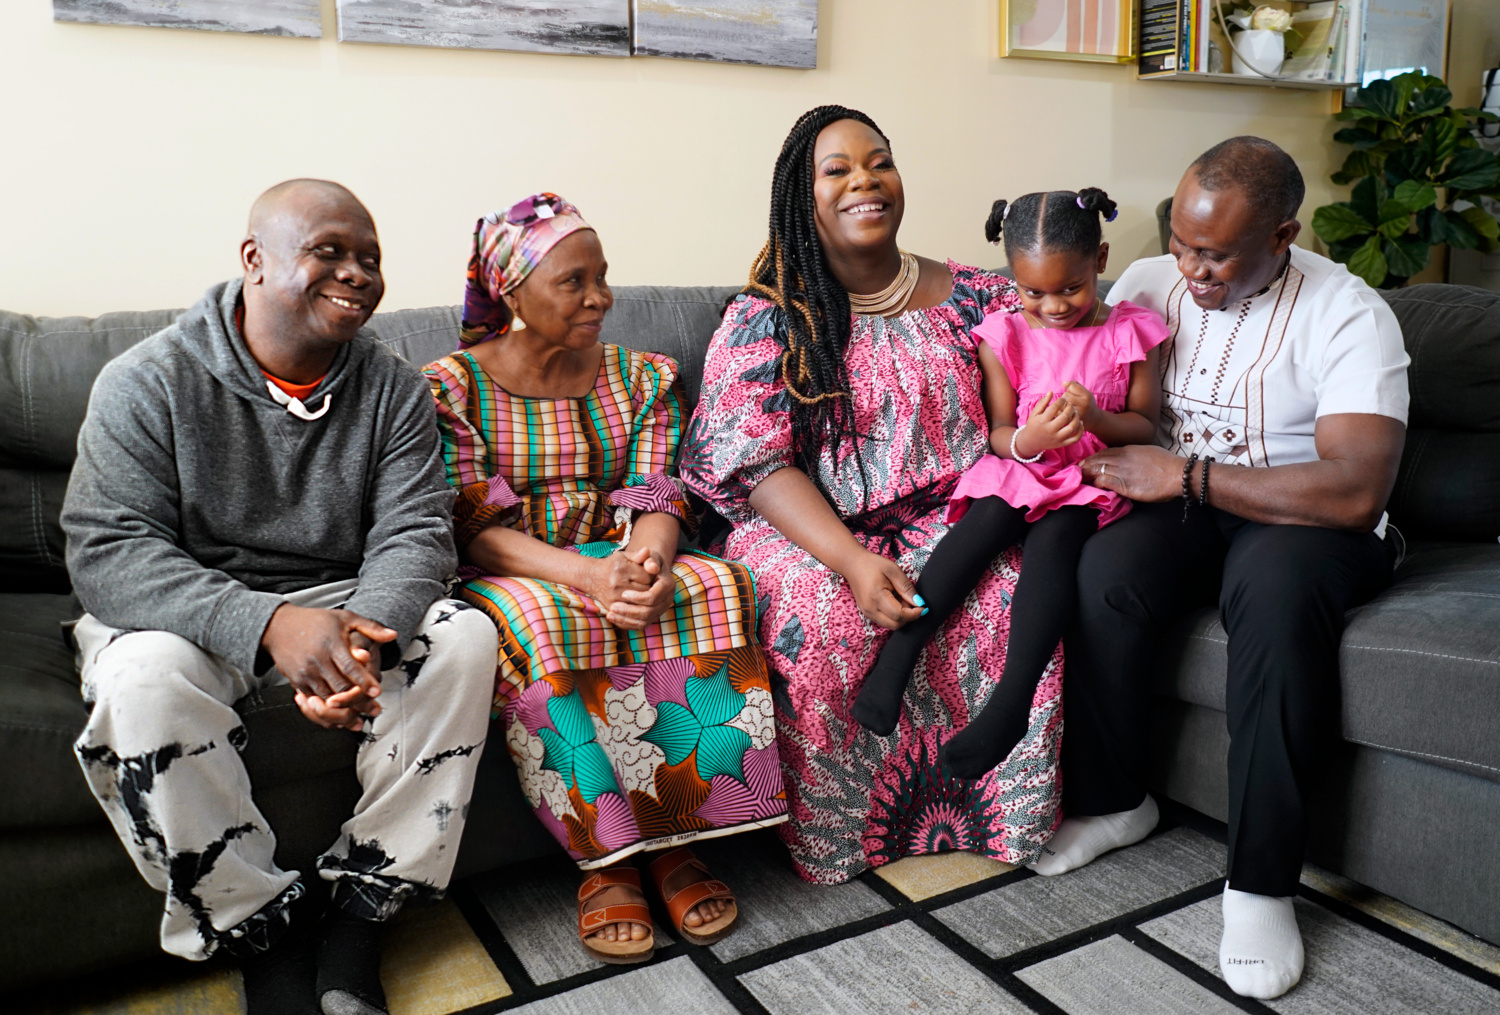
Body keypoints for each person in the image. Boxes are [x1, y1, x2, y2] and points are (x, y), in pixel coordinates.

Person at [63, 179, 499, 1015]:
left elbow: (416, 532)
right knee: (142, 687)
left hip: (343, 596)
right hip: (186, 609)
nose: (357, 272)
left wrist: (362, 640)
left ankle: (365, 905)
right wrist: (269, 626)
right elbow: (106, 551)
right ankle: (259, 926)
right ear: (255, 260)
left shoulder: (395, 388)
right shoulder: (146, 381)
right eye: (328, 250)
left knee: (463, 637)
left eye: (370, 257)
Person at [1037, 137, 1409, 1001]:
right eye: (1180, 243)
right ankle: (1119, 798)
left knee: (1273, 599)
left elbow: (1355, 489)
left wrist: (1191, 475)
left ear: (1283, 235)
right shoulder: (1143, 284)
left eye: (1215, 254)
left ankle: (1261, 883)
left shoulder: (1350, 315)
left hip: (1309, 519)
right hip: (1189, 503)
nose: (1190, 269)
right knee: (1106, 571)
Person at [679, 105, 1061, 885]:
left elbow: (1058, 360)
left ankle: (999, 814)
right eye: (838, 169)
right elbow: (754, 466)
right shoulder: (770, 315)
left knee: (1015, 592)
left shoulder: (983, 298)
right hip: (811, 527)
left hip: (958, 515)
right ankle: (842, 838)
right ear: (802, 193)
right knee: (828, 617)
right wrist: (852, 559)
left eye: (879, 161)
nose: (865, 180)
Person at [423, 193, 784, 965]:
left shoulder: (640, 376)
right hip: (517, 564)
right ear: (512, 293)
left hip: (622, 551)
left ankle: (678, 832)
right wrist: (590, 575)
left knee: (712, 585)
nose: (601, 297)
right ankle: (612, 859)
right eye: (573, 281)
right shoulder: (450, 388)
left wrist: (649, 561)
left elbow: (658, 492)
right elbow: (475, 528)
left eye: (603, 276)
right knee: (539, 619)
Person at [853, 188, 1167, 781]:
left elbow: (1146, 429)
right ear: (1013, 278)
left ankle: (1011, 704)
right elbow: (1000, 432)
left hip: (1091, 477)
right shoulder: (1004, 334)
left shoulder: (1131, 332)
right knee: (983, 526)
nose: (1052, 306)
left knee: (1055, 545)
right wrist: (1032, 441)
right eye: (1033, 291)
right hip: (1024, 466)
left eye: (1071, 288)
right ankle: (898, 658)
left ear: (1100, 261)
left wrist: (1095, 420)